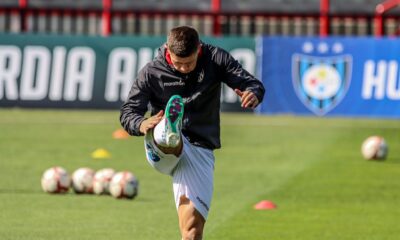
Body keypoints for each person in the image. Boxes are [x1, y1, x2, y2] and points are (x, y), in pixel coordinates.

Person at [120, 25, 265, 240]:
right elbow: (128, 112)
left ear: (198, 49)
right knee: (165, 132)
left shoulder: (216, 59)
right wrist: (141, 124)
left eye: (189, 63)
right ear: (168, 52)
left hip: (199, 148)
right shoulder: (152, 72)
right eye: (178, 63)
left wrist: (253, 93)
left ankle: (171, 129)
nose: (184, 68)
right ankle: (170, 128)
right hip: (160, 147)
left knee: (192, 232)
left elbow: (251, 83)